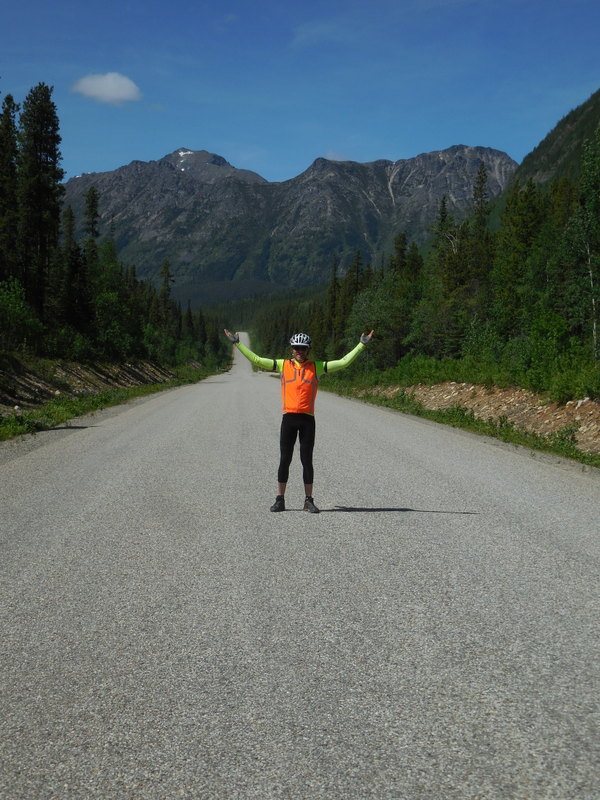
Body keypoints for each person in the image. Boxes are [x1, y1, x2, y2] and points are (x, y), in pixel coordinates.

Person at [224, 328, 374, 513]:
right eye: (296, 348)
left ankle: (308, 501)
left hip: (307, 420)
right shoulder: (283, 365)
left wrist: (361, 345)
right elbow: (257, 360)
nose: (299, 351)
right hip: (288, 418)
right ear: (291, 349)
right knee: (284, 460)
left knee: (306, 460)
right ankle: (280, 500)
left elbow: (343, 363)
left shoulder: (316, 366)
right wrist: (237, 344)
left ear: (308, 350)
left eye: (303, 348)